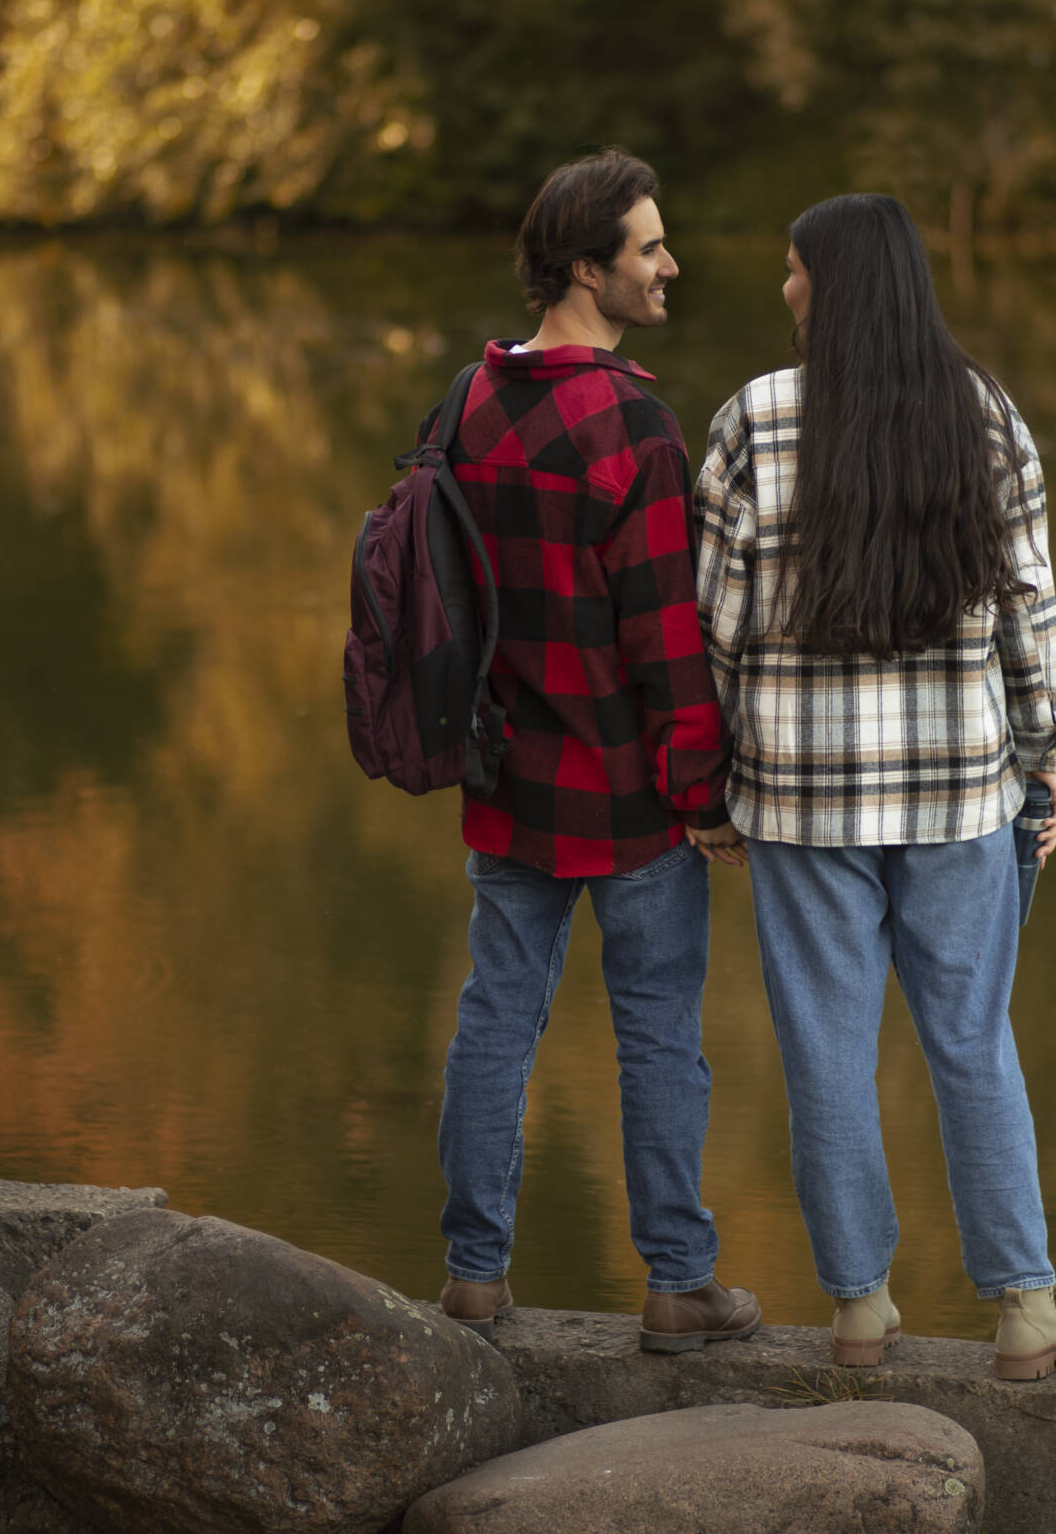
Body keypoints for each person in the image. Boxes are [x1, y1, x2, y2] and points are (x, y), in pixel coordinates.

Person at [693, 192, 1056, 1379]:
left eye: (795, 271)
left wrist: (712, 776)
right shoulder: (984, 416)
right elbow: (1029, 608)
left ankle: (859, 1307)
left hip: (801, 800)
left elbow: (714, 625)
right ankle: (1022, 1309)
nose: (785, 290)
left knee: (824, 1050)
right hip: (962, 793)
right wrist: (1043, 751)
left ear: (838, 286)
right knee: (973, 1042)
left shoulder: (753, 421)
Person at [430, 148, 758, 1353]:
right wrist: (703, 796)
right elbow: (669, 645)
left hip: (508, 779)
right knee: (659, 1030)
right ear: (587, 267)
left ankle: (473, 1278)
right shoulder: (634, 427)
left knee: (494, 1022)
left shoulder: (465, 403)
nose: (669, 265)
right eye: (649, 248)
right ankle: (678, 1286)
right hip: (628, 801)